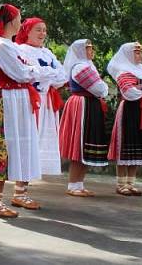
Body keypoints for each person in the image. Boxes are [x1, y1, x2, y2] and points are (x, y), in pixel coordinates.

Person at [0, 4, 57, 218]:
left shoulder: (10, 45)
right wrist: (40, 71)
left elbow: (25, 72)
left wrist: (36, 71)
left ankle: (2, 197)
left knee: (14, 146)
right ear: (10, 21)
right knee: (1, 145)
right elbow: (21, 73)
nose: (21, 23)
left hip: (19, 99)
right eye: (18, 18)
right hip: (7, 98)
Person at [15, 17, 68, 176]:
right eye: (38, 29)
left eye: (44, 30)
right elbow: (30, 74)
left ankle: (36, 173)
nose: (42, 33)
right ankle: (23, 179)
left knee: (46, 137)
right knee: (31, 136)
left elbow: (63, 76)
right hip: (32, 99)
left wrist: (46, 75)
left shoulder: (47, 52)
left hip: (48, 101)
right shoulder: (21, 50)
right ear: (27, 31)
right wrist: (49, 75)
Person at [106, 42, 142, 196]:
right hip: (129, 110)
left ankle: (131, 183)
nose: (140, 55)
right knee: (125, 145)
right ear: (128, 54)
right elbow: (129, 92)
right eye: (136, 52)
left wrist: (140, 87)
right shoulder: (123, 71)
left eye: (141, 52)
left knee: (137, 145)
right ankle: (121, 184)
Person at [59, 39, 109, 196]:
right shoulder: (80, 67)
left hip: (90, 105)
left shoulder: (87, 66)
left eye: (92, 48)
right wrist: (103, 87)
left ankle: (79, 184)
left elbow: (100, 89)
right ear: (80, 51)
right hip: (82, 105)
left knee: (85, 145)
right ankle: (73, 185)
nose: (91, 51)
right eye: (88, 48)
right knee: (79, 145)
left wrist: (103, 88)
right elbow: (100, 88)